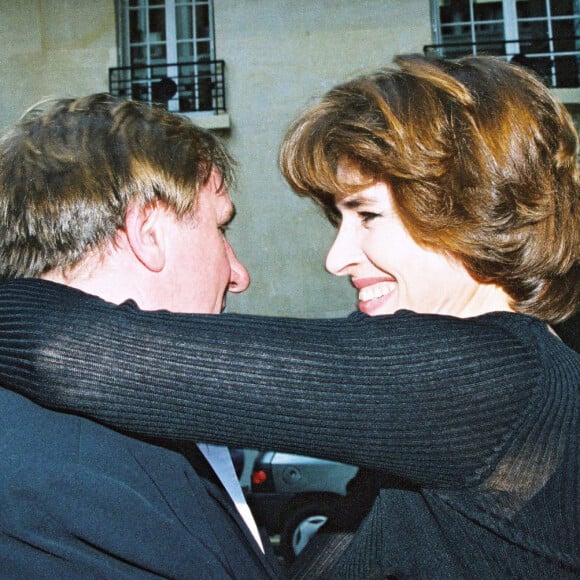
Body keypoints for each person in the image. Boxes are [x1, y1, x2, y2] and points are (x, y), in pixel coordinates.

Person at [0, 54, 577, 578]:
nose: (335, 257)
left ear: (469, 209)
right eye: (338, 220)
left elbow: (69, 353)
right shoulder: (462, 406)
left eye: (368, 215)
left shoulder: (489, 384)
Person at [0, 94, 282, 578]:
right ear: (147, 232)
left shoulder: (115, 429)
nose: (239, 274)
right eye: (221, 229)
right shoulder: (69, 484)